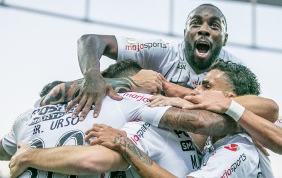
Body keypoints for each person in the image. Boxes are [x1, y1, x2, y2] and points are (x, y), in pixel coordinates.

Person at [8, 60, 276, 177]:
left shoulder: (240, 148)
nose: (194, 92)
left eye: (204, 87)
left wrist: (31, 156)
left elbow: (270, 109)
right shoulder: (148, 118)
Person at [68, 3, 249, 119]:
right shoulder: (164, 51)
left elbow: (259, 109)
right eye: (195, 23)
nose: (204, 30)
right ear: (185, 34)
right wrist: (92, 75)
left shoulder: (235, 69)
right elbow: (90, 40)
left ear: (225, 39)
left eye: (214, 26)